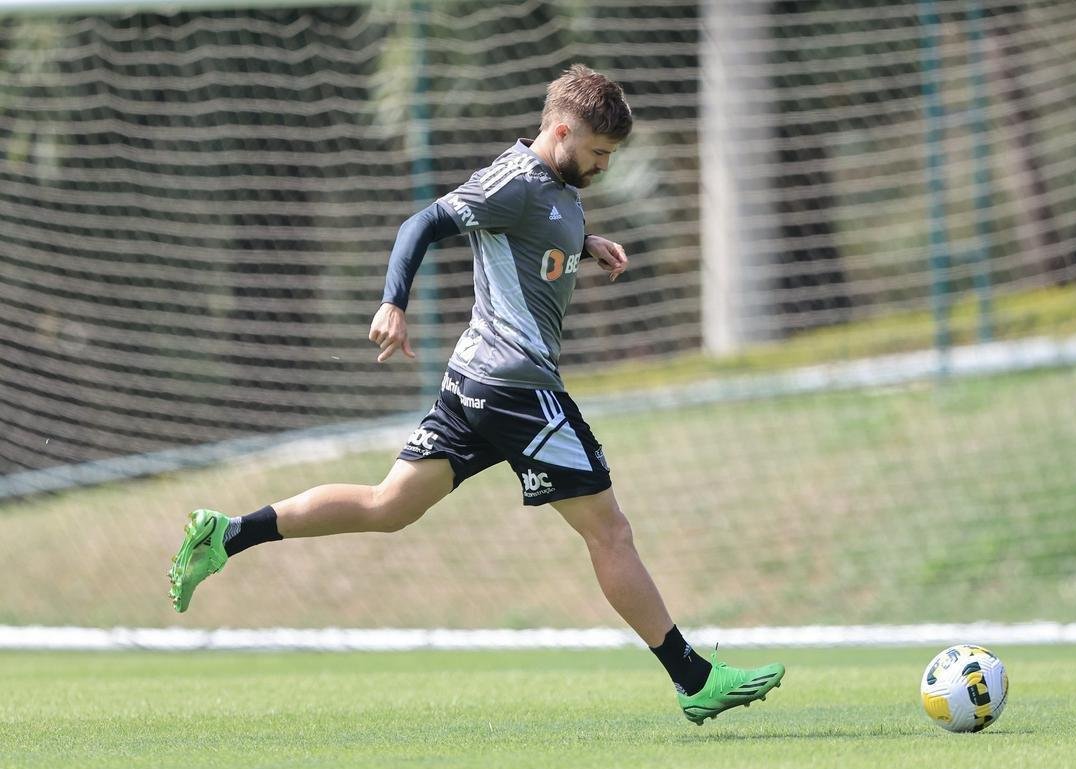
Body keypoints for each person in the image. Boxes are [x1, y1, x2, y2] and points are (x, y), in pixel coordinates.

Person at [168, 64, 783, 725]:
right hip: (516, 388)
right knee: (610, 533)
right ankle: (692, 679)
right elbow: (422, 224)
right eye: (598, 153)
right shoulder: (516, 180)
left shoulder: (555, 186)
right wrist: (392, 303)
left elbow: (536, 233)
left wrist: (584, 243)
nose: (603, 166)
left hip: (476, 386)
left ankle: (227, 535)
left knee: (387, 505)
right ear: (561, 130)